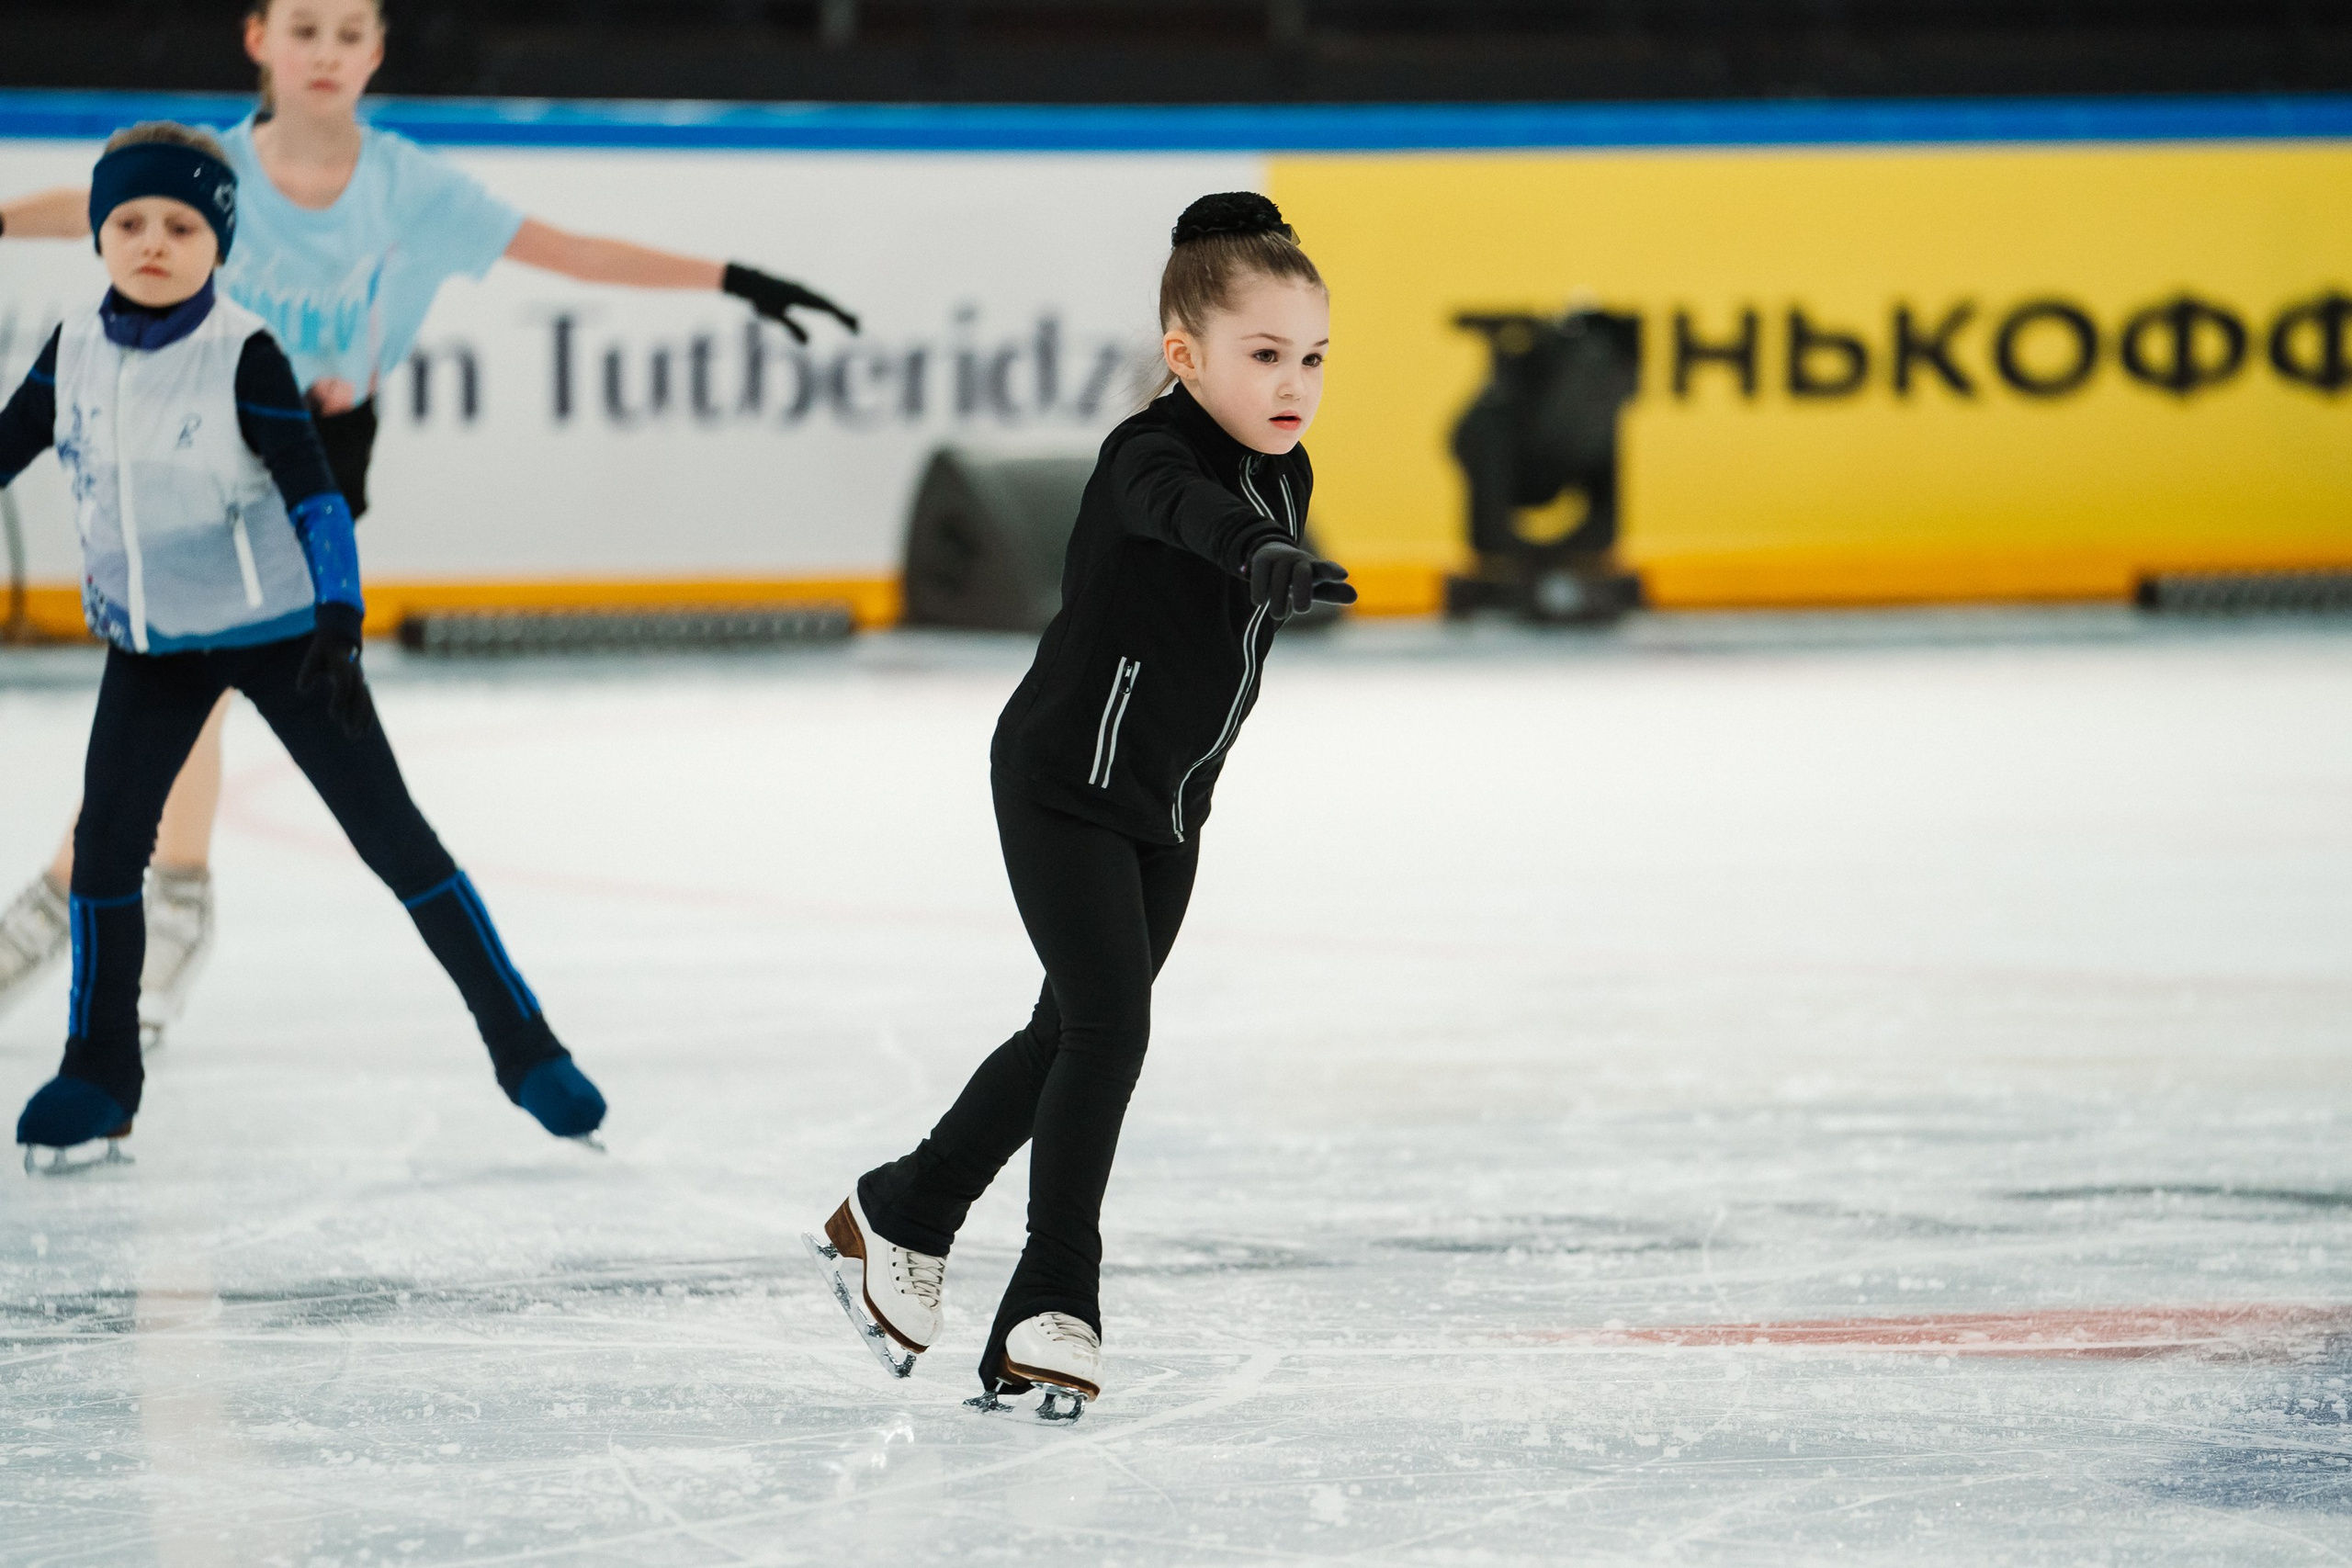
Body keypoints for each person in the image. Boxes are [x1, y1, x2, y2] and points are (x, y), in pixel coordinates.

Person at [0, 0, 857, 1044]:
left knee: (199, 674)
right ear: (258, 39)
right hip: (184, 445)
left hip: (312, 456)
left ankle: (98, 902)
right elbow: (79, 208)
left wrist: (734, 280)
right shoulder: (206, 173)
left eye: (348, 33)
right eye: (304, 30)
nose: (325, 54)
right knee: (188, 681)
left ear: (376, 51)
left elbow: (575, 253)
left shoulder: (415, 189)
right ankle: (163, 894)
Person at [805, 193, 1354, 1421]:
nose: (1293, 383)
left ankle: (901, 1208)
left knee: (1072, 1032)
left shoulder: (1289, 468)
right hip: (1064, 786)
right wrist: (1258, 554)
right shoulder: (1146, 456)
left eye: (1312, 356)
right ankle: (1058, 1295)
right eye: (1263, 355)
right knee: (1111, 1028)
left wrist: (1274, 548)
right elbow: (1187, 516)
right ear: (1185, 357)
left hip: (1166, 809)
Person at [2, 121, 607, 1172]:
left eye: (180, 224)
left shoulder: (244, 349)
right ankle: (100, 1073)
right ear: (99, 234)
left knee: (397, 842)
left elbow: (316, 494)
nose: (152, 240)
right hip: (153, 649)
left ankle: (526, 1049)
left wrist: (338, 618)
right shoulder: (73, 349)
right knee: (106, 852)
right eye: (129, 220)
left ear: (219, 241)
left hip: (287, 639)